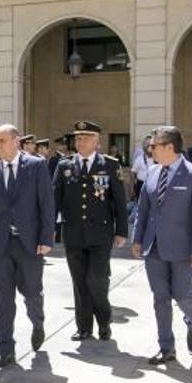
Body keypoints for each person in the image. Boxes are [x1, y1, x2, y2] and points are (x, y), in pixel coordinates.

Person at [132, 126, 192, 365]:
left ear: (169, 147)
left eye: (154, 145)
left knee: (182, 293)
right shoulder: (153, 172)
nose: (150, 149)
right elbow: (142, 211)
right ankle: (166, 348)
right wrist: (137, 239)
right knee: (160, 298)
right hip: (153, 247)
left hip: (183, 249)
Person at [0, 124, 54, 368]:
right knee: (3, 299)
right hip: (1, 245)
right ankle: (5, 349)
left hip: (30, 244)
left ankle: (38, 322)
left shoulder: (36, 166)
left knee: (32, 292)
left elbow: (46, 205)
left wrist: (46, 239)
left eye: (2, 141)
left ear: (17, 141)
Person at [53, 121, 128, 342]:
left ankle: (104, 322)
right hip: (73, 233)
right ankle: (84, 327)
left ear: (97, 141)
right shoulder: (64, 166)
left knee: (97, 279)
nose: (80, 142)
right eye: (77, 138)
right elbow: (54, 200)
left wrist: (121, 231)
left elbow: (119, 202)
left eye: (85, 138)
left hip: (100, 234)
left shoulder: (111, 166)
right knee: (79, 281)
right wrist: (48, 229)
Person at [131, 135, 155, 199]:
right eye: (148, 145)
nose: (150, 147)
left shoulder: (158, 159)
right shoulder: (139, 159)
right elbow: (133, 173)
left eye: (152, 145)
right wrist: (134, 184)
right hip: (140, 185)